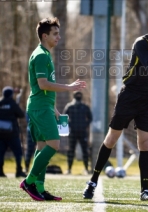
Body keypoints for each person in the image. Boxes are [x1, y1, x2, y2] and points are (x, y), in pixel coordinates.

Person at [83, 8, 148, 201]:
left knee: (144, 143)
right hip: (129, 95)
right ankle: (93, 181)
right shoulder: (141, 43)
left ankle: (144, 190)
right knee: (112, 138)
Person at [19, 17, 86, 201]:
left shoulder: (45, 54)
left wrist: (56, 112)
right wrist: (69, 87)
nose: (59, 37)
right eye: (55, 34)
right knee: (54, 144)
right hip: (39, 108)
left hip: (44, 107)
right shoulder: (40, 55)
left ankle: (39, 188)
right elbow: (43, 85)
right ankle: (29, 181)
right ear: (44, 35)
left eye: (59, 33)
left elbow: (45, 90)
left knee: (41, 147)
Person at [63, 91, 92, 174]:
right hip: (72, 132)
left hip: (83, 132)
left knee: (85, 151)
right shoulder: (69, 106)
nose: (78, 96)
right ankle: (69, 169)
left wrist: (84, 125)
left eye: (80, 95)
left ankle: (86, 169)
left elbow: (90, 118)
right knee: (71, 150)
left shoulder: (85, 107)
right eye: (77, 95)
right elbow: (64, 117)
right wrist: (69, 125)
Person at [0, 86, 26, 178]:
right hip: (12, 134)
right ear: (11, 94)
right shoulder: (13, 104)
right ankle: (18, 171)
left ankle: (0, 171)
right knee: (18, 152)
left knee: (1, 153)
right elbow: (21, 114)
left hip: (1, 134)